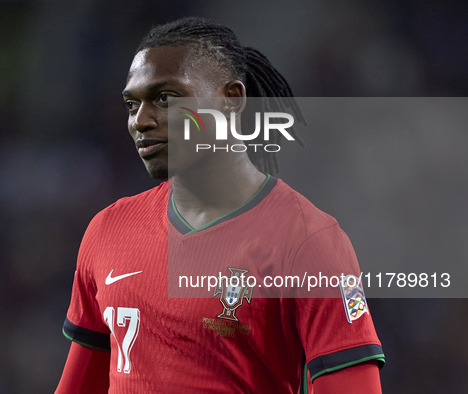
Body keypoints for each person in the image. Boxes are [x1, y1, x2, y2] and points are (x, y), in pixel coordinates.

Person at [56, 17, 384, 393]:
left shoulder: (308, 241)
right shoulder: (107, 231)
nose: (140, 121)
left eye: (165, 98)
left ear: (231, 99)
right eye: (132, 104)